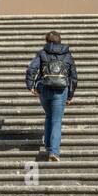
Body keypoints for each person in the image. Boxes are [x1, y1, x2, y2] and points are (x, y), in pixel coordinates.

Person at [26, 31, 78, 162]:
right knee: (56, 120)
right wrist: (70, 95)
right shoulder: (67, 55)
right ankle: (54, 152)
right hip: (60, 91)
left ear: (47, 40)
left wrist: (30, 85)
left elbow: (31, 69)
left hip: (44, 89)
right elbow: (73, 77)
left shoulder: (42, 53)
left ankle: (49, 147)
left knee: (49, 116)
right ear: (60, 41)